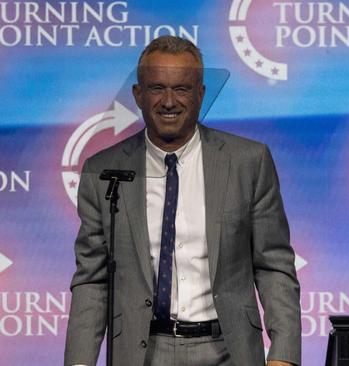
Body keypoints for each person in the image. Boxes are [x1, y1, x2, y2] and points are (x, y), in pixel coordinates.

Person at [64, 35, 301, 366]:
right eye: (158, 88)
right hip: (141, 353)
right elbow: (92, 278)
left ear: (201, 94)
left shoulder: (248, 162)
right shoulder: (103, 171)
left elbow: (274, 265)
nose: (169, 101)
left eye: (182, 89)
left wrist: (284, 355)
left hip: (228, 350)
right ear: (138, 95)